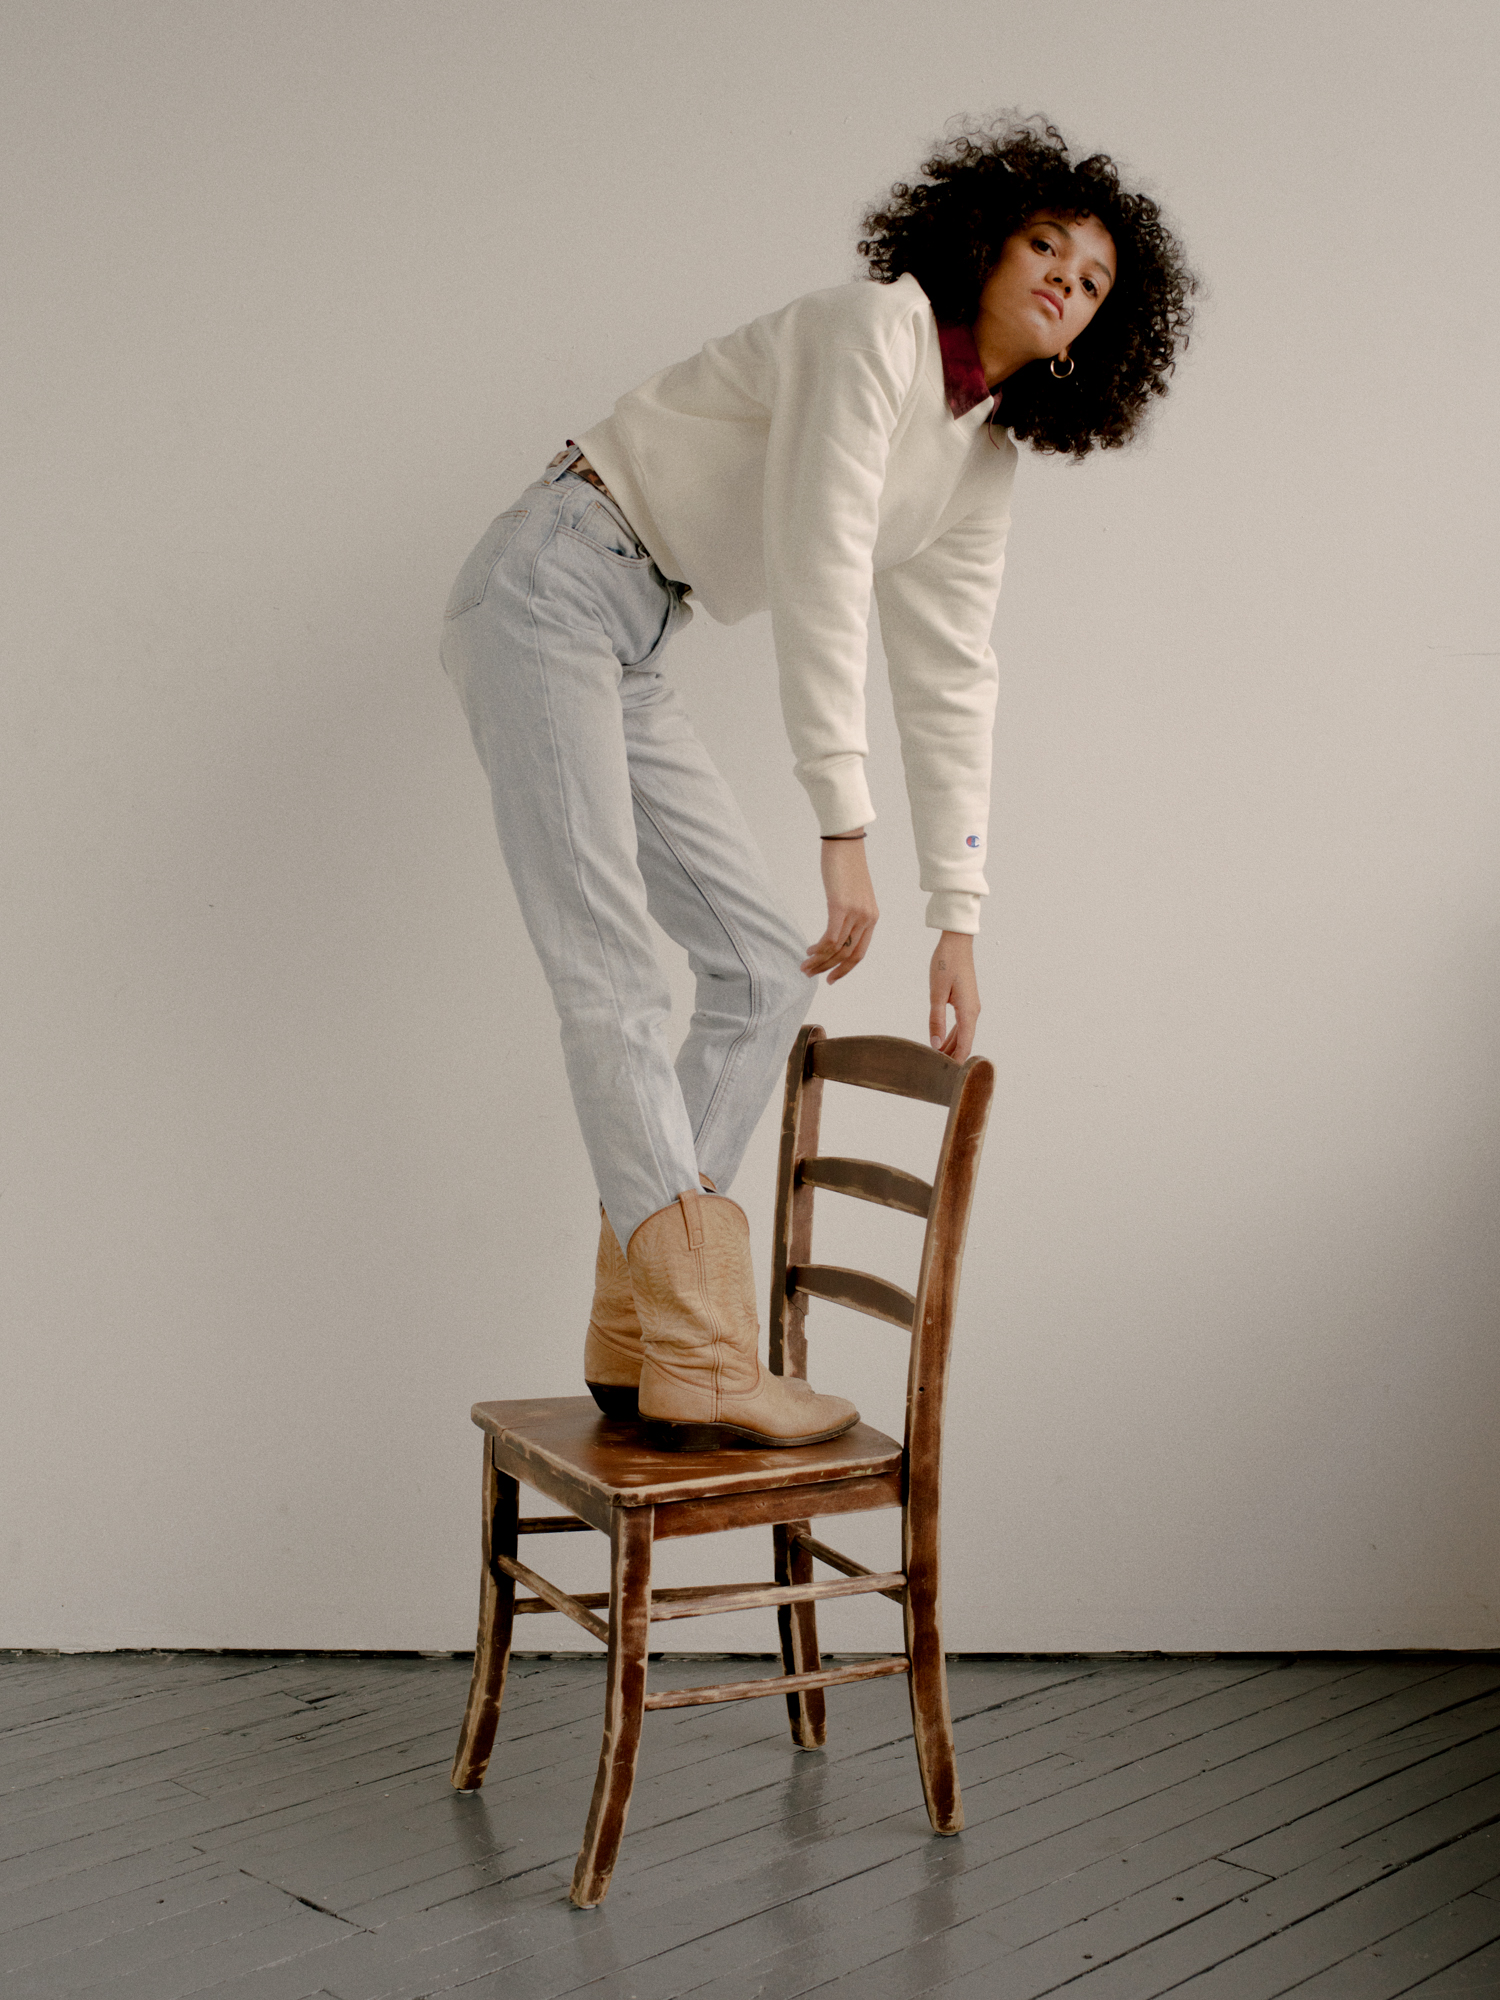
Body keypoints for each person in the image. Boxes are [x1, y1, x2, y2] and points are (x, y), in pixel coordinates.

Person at [440, 117, 1195, 1453]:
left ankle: (639, 1331)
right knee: (612, 975)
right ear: (985, 242)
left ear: (1091, 338)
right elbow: (820, 559)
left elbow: (953, 676)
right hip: (556, 576)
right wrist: (842, 827)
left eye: (1091, 282)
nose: (1064, 281)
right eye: (1045, 245)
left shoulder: (979, 459)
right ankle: (702, 1349)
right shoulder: (872, 331)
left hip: (634, 630)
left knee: (759, 970)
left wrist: (957, 912)